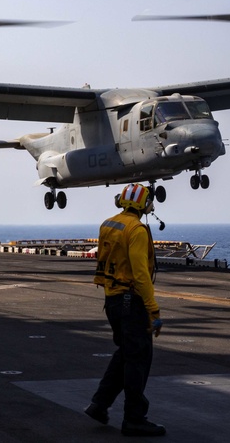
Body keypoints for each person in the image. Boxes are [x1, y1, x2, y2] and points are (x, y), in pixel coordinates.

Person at [85, 183, 165, 437]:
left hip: (112, 300)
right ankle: (134, 418)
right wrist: (153, 310)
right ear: (143, 204)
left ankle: (100, 404)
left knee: (125, 355)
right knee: (138, 360)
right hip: (131, 302)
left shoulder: (108, 223)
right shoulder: (137, 229)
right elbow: (141, 273)